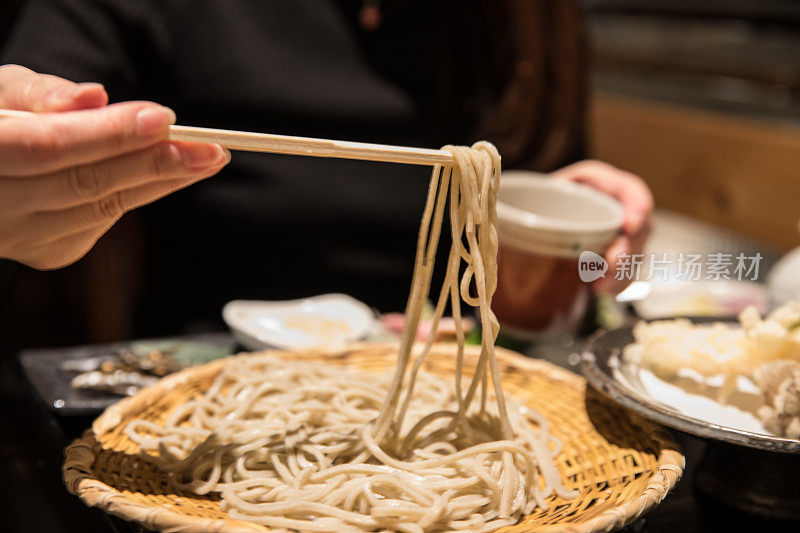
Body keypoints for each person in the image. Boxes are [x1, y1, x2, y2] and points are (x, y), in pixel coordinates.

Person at [0, 0, 651, 335]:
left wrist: (584, 250)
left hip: (457, 378)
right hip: (210, 384)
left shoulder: (529, 19)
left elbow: (542, 247)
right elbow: (36, 108)